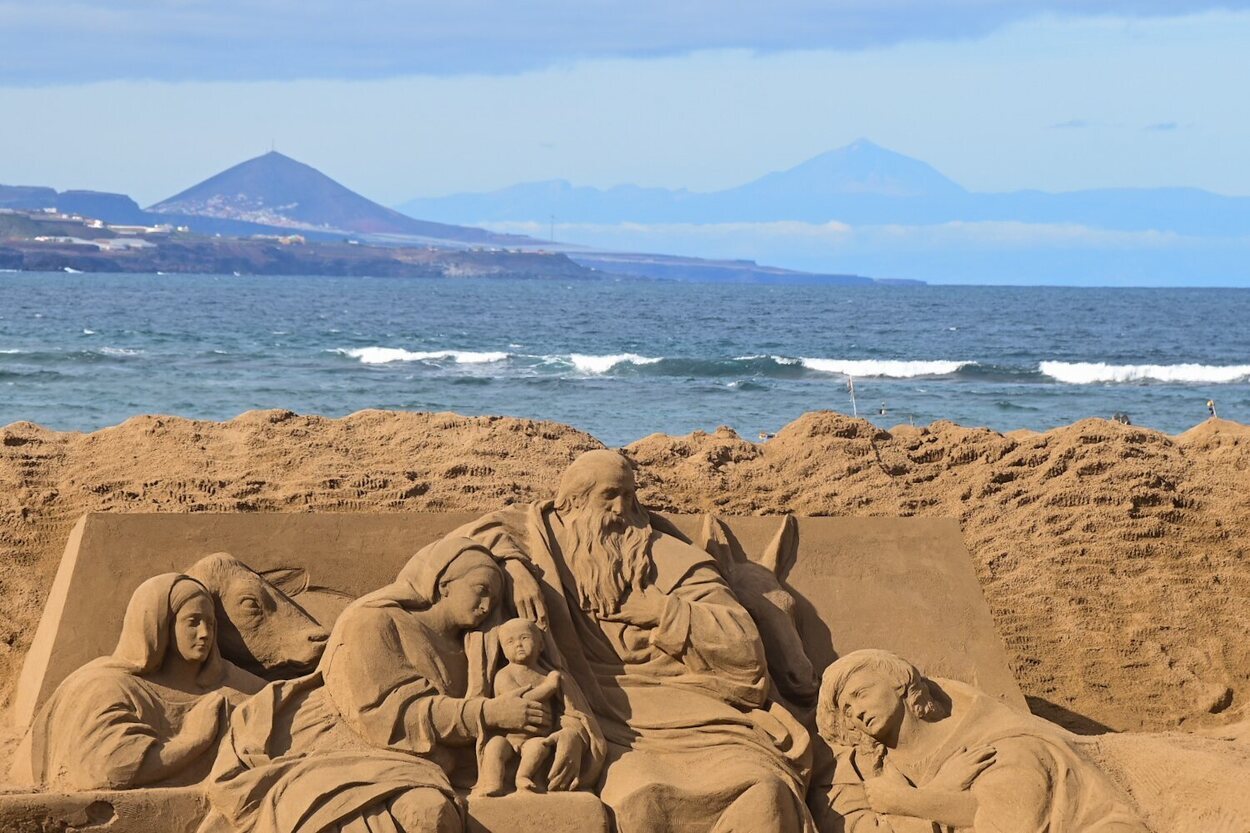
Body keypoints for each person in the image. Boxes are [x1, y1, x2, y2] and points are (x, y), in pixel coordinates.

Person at [448, 449, 814, 833]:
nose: (623, 508)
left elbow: (743, 646)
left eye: (630, 495)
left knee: (765, 788)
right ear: (572, 502)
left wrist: (664, 611)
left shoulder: (669, 557)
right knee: (646, 798)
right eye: (609, 495)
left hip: (699, 713)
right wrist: (515, 566)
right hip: (611, 717)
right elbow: (461, 545)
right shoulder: (538, 543)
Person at [198, 537, 603, 833]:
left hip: (416, 763)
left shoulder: (477, 647)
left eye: (494, 599)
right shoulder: (374, 622)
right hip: (342, 747)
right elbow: (387, 715)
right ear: (443, 583)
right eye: (481, 592)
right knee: (425, 814)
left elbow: (512, 526)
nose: (487, 607)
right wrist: (489, 712)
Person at [811, 649, 1148, 833]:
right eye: (846, 707)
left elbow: (1006, 824)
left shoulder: (994, 741)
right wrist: (942, 787)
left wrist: (904, 803)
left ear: (898, 683)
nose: (855, 711)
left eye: (860, 694)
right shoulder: (876, 774)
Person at [11, 573, 264, 790]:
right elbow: (112, 769)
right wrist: (192, 741)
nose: (205, 633)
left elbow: (282, 698)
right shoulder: (107, 686)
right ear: (161, 624)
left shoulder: (225, 679)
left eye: (210, 623)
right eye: (192, 622)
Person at [473, 617, 564, 796]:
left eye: (524, 638)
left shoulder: (544, 675)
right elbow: (517, 703)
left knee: (539, 748)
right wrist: (548, 688)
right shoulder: (504, 675)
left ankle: (523, 777)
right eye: (510, 642)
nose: (518, 645)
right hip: (509, 737)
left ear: (540, 645)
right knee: (495, 746)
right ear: (504, 652)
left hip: (536, 736)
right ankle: (493, 782)